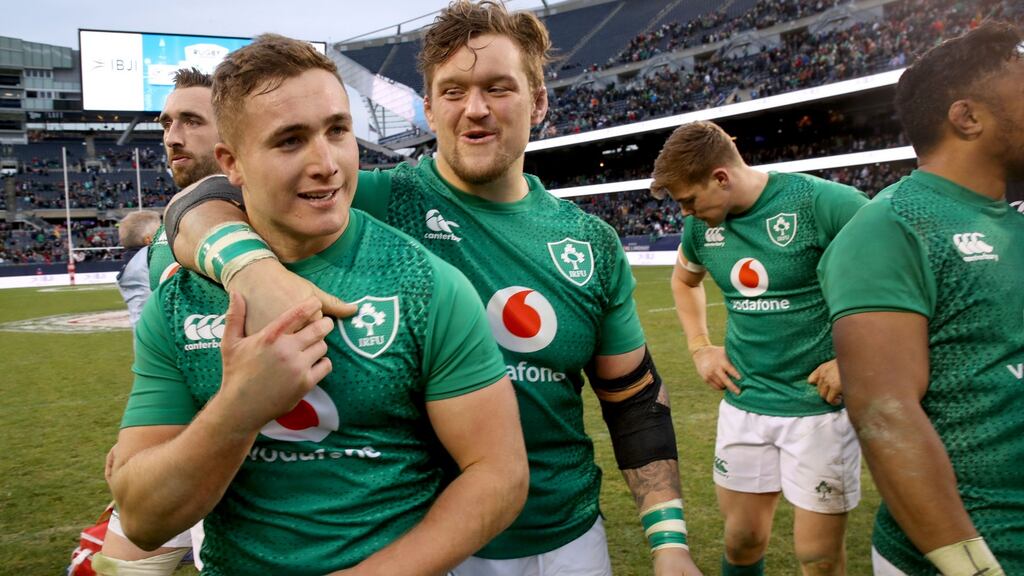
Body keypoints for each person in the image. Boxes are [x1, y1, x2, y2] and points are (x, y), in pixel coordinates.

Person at [159, 2, 700, 574]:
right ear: (428, 109)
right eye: (452, 91)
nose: (475, 109)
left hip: (569, 537)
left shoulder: (590, 242)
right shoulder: (372, 200)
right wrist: (251, 268)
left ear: (538, 102)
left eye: (499, 88)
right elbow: (198, 201)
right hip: (431, 539)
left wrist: (669, 546)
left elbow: (635, 402)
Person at [105, 34, 528, 575]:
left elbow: (498, 474)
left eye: (337, 131)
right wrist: (240, 409)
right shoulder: (181, 300)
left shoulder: (429, 285)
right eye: (290, 141)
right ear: (231, 163)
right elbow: (142, 520)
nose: (326, 163)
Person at [819, 21, 1024, 575]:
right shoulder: (894, 224)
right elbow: (885, 414)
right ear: (967, 116)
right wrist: (972, 568)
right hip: (983, 553)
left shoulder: (1013, 220)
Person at [651, 120, 867, 575]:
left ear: (721, 177)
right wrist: (700, 347)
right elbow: (684, 280)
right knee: (742, 540)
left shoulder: (821, 203)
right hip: (745, 404)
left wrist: (857, 358)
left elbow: (899, 269)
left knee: (819, 557)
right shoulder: (701, 231)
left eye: (689, 200)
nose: (685, 214)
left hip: (817, 410)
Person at [96, 68, 225, 576]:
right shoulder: (160, 249)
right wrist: (143, 439)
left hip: (271, 465)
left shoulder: (287, 225)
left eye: (192, 121)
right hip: (182, 450)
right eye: (167, 122)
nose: (172, 136)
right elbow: (171, 357)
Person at [115, 210, 160, 329]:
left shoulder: (129, 264)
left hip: (142, 337)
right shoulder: (149, 258)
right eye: (160, 233)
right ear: (149, 240)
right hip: (159, 336)